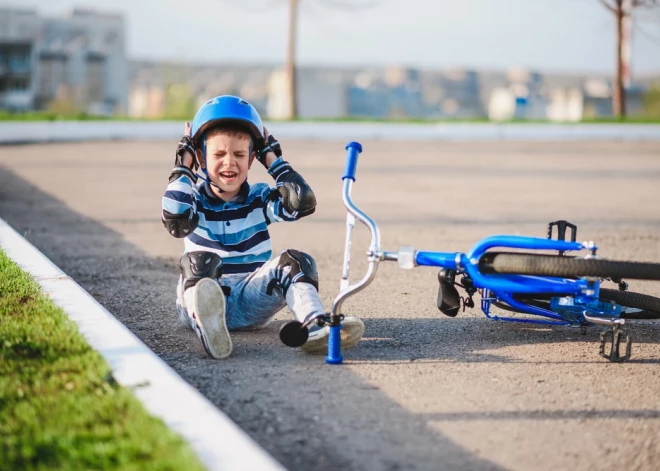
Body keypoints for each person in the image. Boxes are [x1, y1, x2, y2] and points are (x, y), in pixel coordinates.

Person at [161, 95, 364, 359]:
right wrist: (183, 165)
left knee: (296, 261)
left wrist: (274, 160)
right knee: (199, 261)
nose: (229, 162)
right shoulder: (193, 199)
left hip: (250, 298)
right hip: (201, 297)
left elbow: (300, 202)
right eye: (218, 154)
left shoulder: (259, 198)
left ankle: (314, 325)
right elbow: (175, 217)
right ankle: (210, 329)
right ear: (200, 156)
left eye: (239, 154)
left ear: (252, 157)